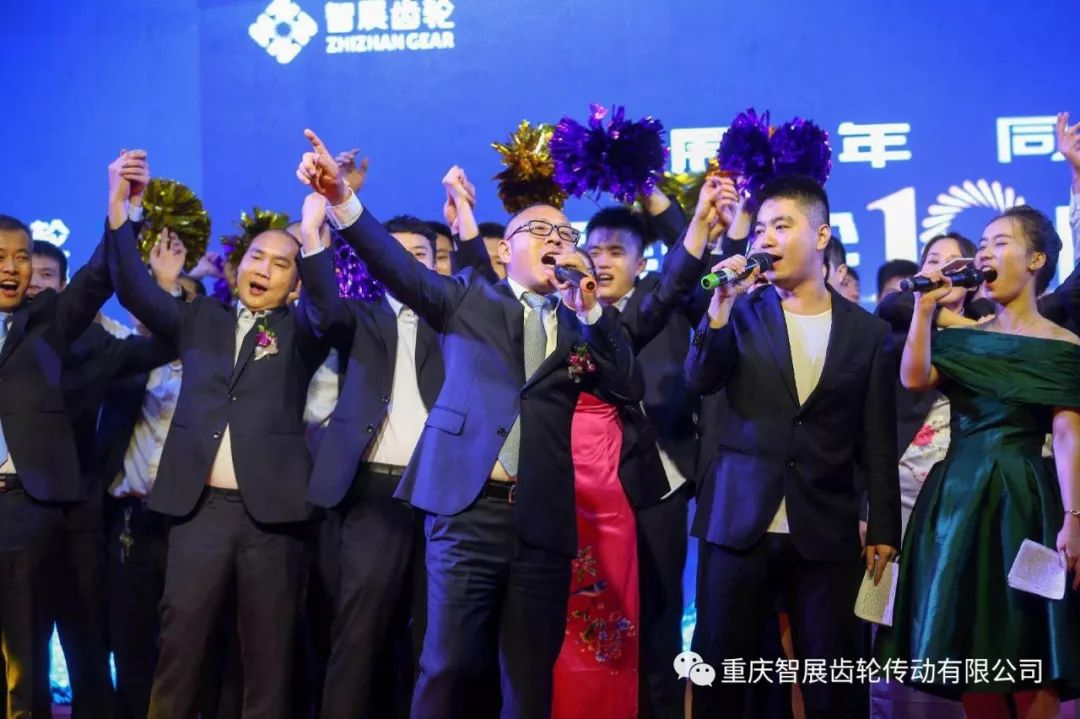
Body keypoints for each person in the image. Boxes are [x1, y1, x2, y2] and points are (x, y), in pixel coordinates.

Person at [297, 127, 643, 719]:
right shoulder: (468, 299)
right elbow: (393, 264)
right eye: (541, 231)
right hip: (467, 512)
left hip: (542, 520)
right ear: (505, 251)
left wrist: (592, 312)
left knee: (528, 682)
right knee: (448, 666)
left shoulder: (581, 324)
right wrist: (341, 200)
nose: (558, 241)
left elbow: (627, 385)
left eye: (567, 235)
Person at [107, 148, 330, 718]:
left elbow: (329, 309)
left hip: (272, 520)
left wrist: (312, 236)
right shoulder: (201, 319)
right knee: (180, 650)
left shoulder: (303, 331)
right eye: (256, 257)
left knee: (267, 660)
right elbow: (132, 289)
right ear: (238, 266)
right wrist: (123, 208)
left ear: (295, 284)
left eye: (280, 264)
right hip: (198, 512)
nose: (264, 269)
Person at [686, 174, 901, 719]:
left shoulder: (868, 333)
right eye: (760, 228)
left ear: (822, 235)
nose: (765, 239)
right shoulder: (740, 312)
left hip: (824, 527)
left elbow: (878, 438)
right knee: (723, 677)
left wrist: (883, 526)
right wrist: (719, 307)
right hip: (738, 521)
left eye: (781, 226)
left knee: (834, 684)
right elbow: (700, 380)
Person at [877, 205, 1080, 719]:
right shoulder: (963, 338)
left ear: (1036, 259)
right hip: (957, 504)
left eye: (1000, 242)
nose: (985, 253)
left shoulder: (1063, 346)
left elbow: (1066, 433)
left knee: (1033, 648)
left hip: (1026, 504)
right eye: (982, 244)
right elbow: (914, 377)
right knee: (970, 650)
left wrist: (1074, 517)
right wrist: (924, 308)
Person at [0, 152, 130, 715]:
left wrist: (119, 208)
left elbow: (98, 278)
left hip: (23, 509)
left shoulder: (47, 322)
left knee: (23, 656)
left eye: (21, 257)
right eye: (1, 257)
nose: (13, 268)